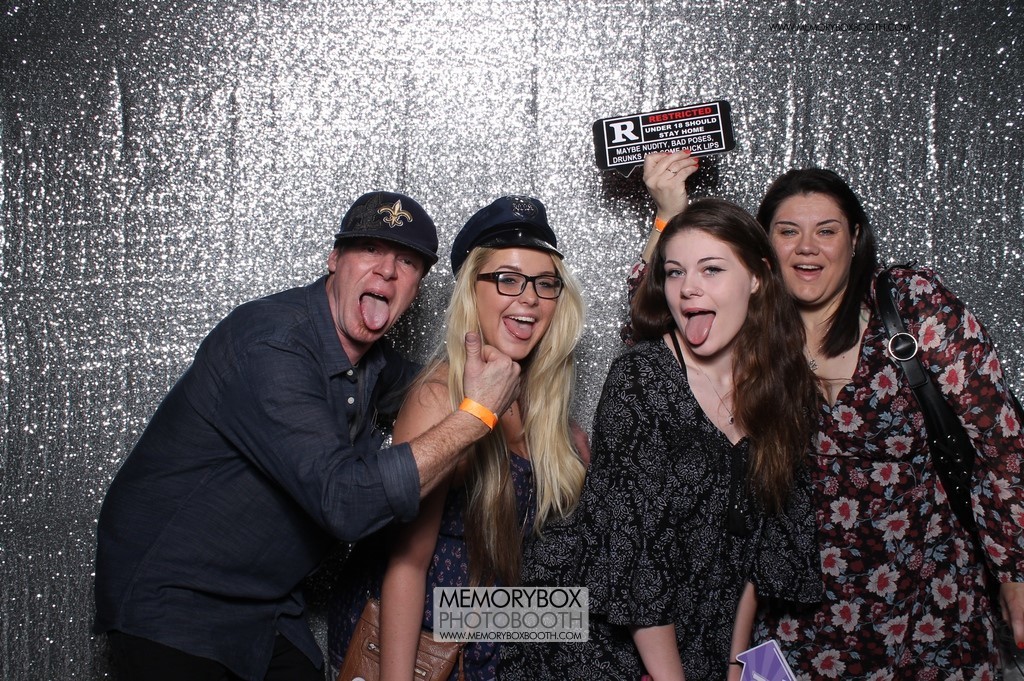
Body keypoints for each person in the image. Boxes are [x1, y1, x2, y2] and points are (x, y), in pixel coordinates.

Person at [93, 191, 521, 681]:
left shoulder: (378, 365)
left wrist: (527, 386)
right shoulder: (272, 346)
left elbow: (438, 383)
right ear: (334, 259)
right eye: (370, 249)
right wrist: (476, 415)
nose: (387, 270)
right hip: (176, 608)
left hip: (269, 608)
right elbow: (350, 505)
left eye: (407, 261)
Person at [644, 164, 1024, 677]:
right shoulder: (742, 329)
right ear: (762, 251)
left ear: (855, 238)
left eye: (826, 230)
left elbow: (1000, 443)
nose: (807, 247)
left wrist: (1015, 572)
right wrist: (668, 213)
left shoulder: (908, 303)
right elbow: (654, 322)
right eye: (788, 231)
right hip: (793, 616)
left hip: (930, 600)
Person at [501, 198, 822, 681]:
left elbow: (754, 553)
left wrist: (734, 664)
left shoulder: (785, 387)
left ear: (757, 277)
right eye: (674, 272)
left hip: (699, 642)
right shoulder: (641, 379)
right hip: (590, 644)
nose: (688, 288)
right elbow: (636, 561)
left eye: (711, 269)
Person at [329, 195, 588, 680]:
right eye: (507, 279)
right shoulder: (440, 398)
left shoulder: (550, 413)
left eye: (545, 283)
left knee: (595, 622)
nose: (529, 298)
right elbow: (406, 566)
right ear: (473, 291)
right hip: (421, 639)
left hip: (488, 625)